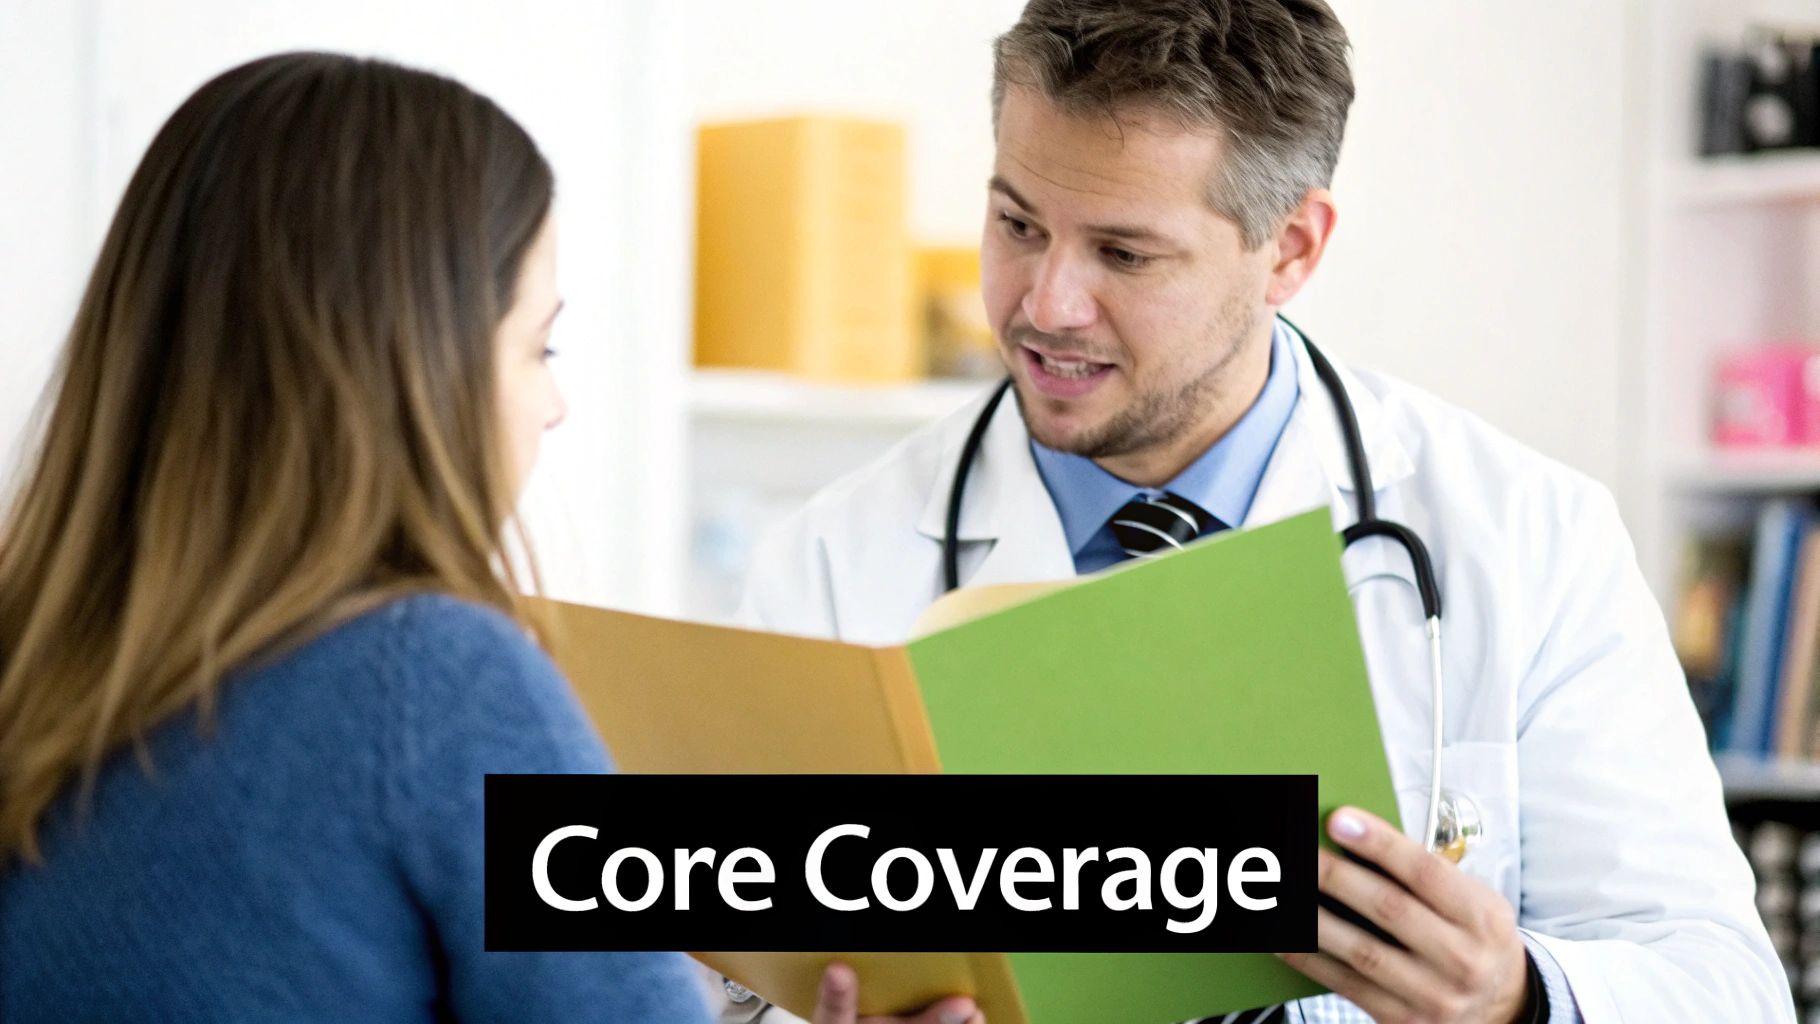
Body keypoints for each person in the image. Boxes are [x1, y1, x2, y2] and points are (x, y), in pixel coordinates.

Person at [734, 2, 1796, 1022]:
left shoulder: (1527, 539)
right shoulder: (830, 563)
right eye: (1015, 221)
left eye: (1123, 253)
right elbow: (727, 985)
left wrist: (1513, 998)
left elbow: (1720, 987)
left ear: (1289, 248)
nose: (1043, 303)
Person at [0, 52, 978, 1024]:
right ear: (422, 365)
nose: (553, 405)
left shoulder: (36, 675)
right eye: (536, 346)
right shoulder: (426, 679)